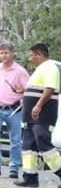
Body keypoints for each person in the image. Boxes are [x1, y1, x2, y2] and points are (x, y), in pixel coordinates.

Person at [13, 42, 61, 188]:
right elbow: (36, 89)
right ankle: (30, 176)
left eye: (31, 56)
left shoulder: (50, 67)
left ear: (40, 54)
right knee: (28, 145)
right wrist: (22, 91)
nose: (30, 59)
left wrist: (38, 105)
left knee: (41, 138)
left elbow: (50, 88)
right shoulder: (39, 70)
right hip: (31, 115)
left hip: (43, 113)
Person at [0, 42, 29, 179]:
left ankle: (14, 167)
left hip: (14, 109)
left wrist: (21, 91)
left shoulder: (20, 71)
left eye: (6, 53)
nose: (3, 56)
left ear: (12, 54)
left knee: (16, 141)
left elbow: (29, 90)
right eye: (1, 53)